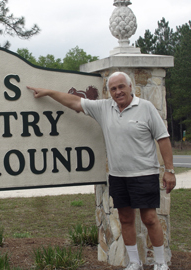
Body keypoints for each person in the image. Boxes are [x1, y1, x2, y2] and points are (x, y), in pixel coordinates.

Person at [27, 71, 176, 270]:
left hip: (144, 174)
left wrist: (170, 170)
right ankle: (134, 263)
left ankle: (160, 263)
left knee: (149, 219)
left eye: (121, 86)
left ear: (130, 87)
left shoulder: (146, 108)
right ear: (109, 92)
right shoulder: (104, 108)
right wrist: (48, 92)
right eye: (113, 88)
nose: (118, 91)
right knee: (125, 219)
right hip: (118, 176)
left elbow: (163, 138)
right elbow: (73, 102)